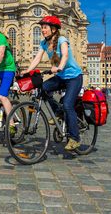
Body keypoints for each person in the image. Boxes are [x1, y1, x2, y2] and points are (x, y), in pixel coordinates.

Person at [22, 15, 83, 152]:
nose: (42, 30)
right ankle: (58, 112)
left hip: (74, 77)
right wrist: (27, 71)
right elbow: (37, 58)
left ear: (54, 29)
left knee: (68, 104)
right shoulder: (44, 43)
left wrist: (60, 67)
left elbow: (65, 55)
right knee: (43, 88)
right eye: (41, 27)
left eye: (45, 27)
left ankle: (75, 138)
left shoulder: (62, 40)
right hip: (61, 77)